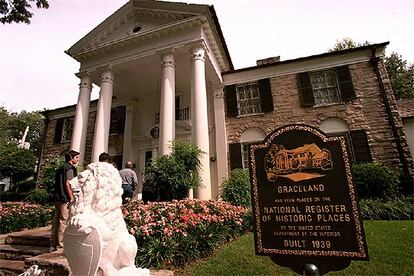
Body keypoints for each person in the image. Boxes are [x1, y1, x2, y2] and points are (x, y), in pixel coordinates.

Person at [50, 150, 79, 252]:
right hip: (64, 198)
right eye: (76, 158)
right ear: (71, 158)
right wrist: (71, 197)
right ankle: (60, 245)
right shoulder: (70, 169)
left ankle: (52, 244)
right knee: (63, 221)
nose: (78, 159)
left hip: (57, 197)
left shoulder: (60, 168)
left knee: (55, 221)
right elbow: (68, 184)